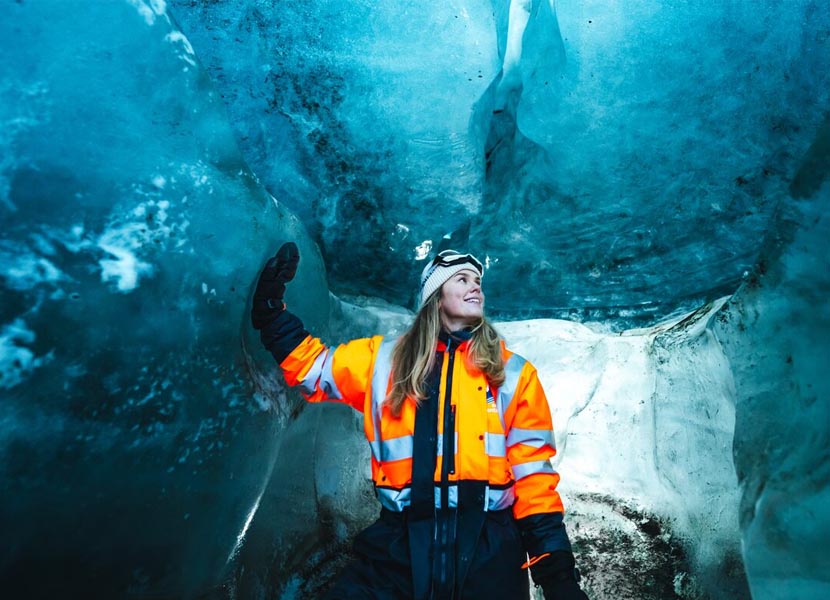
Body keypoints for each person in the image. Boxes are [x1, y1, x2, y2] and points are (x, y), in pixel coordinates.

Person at [251, 243, 589, 600]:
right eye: (462, 279)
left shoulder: (514, 374)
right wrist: (270, 313)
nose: (476, 287)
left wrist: (558, 577)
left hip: (489, 550)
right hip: (399, 546)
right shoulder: (383, 362)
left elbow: (533, 478)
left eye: (477, 282)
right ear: (436, 297)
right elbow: (313, 367)